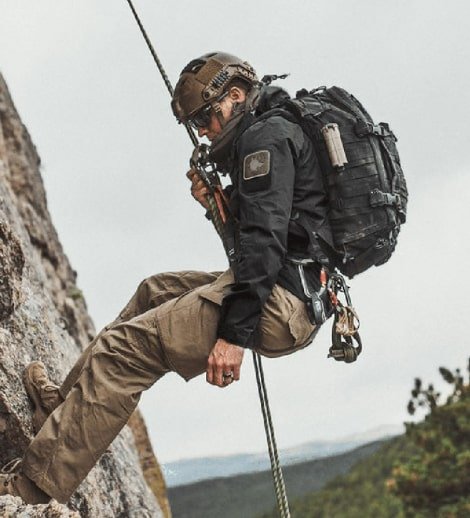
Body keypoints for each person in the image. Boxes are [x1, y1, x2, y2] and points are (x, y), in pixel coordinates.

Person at [0, 52, 332, 504]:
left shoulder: (265, 139)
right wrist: (217, 204)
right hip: (288, 288)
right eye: (196, 124)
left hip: (279, 301)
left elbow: (263, 243)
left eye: (206, 118)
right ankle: (60, 409)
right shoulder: (274, 132)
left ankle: (31, 489)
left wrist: (233, 336)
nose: (204, 131)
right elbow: (269, 231)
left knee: (124, 352)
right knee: (154, 290)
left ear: (236, 95)